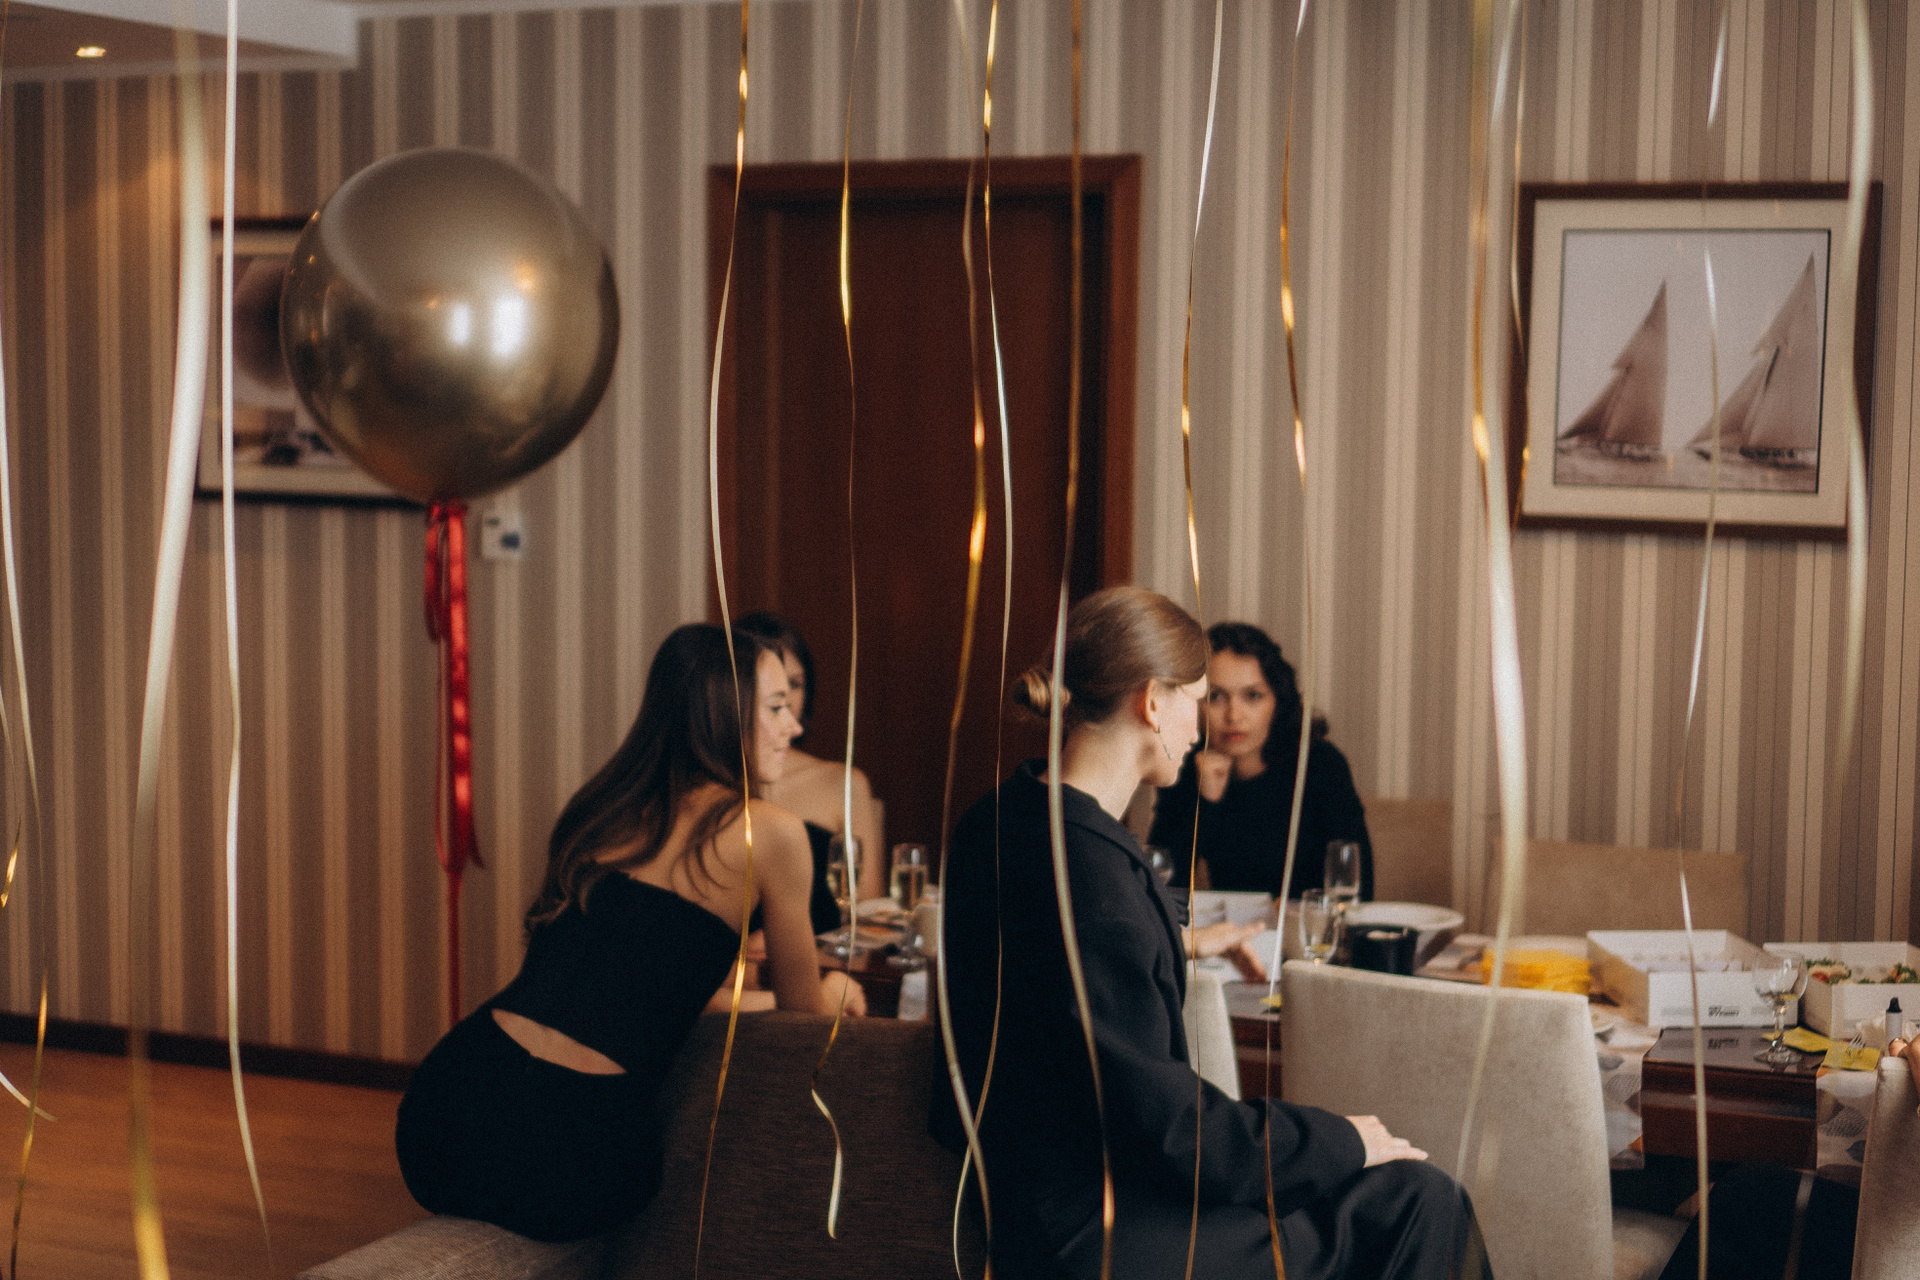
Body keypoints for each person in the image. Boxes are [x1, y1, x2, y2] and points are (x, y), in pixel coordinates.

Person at [933, 587, 1489, 1280]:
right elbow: (1173, 1136)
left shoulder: (997, 819)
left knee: (1397, 1195)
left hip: (1018, 1200)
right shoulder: (1091, 873)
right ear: (1151, 702)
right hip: (1099, 1233)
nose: (1202, 727)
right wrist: (1341, 1138)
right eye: (1197, 699)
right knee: (1420, 1199)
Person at [395, 624, 865, 1243]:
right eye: (777, 708)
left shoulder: (603, 806)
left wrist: (754, 999)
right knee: (630, 1183)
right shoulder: (771, 832)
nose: (794, 727)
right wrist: (835, 991)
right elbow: (804, 1016)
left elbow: (623, 989)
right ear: (722, 713)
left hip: (449, 1106)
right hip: (577, 1143)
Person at [1150, 621, 1373, 901]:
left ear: (1277, 701)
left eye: (1252, 696)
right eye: (1215, 696)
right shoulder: (1184, 766)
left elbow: (1357, 888)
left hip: (1305, 925)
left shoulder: (1321, 765)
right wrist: (1203, 802)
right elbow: (1157, 890)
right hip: (1228, 926)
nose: (1234, 716)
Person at [735, 612, 886, 920]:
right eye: (774, 689)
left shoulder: (843, 783)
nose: (787, 699)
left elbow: (869, 914)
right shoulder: (707, 787)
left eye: (795, 684)